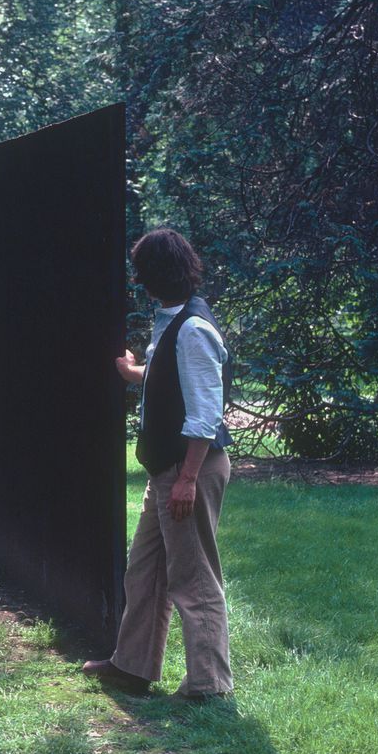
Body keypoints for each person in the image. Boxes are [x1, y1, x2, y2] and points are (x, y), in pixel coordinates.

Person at [83, 228, 234, 701]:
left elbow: (205, 413)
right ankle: (132, 667)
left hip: (190, 469)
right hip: (167, 470)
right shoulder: (173, 322)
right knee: (144, 570)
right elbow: (173, 374)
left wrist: (187, 479)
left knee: (193, 577)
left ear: (147, 278)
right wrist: (136, 373)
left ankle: (209, 686)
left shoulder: (192, 328)